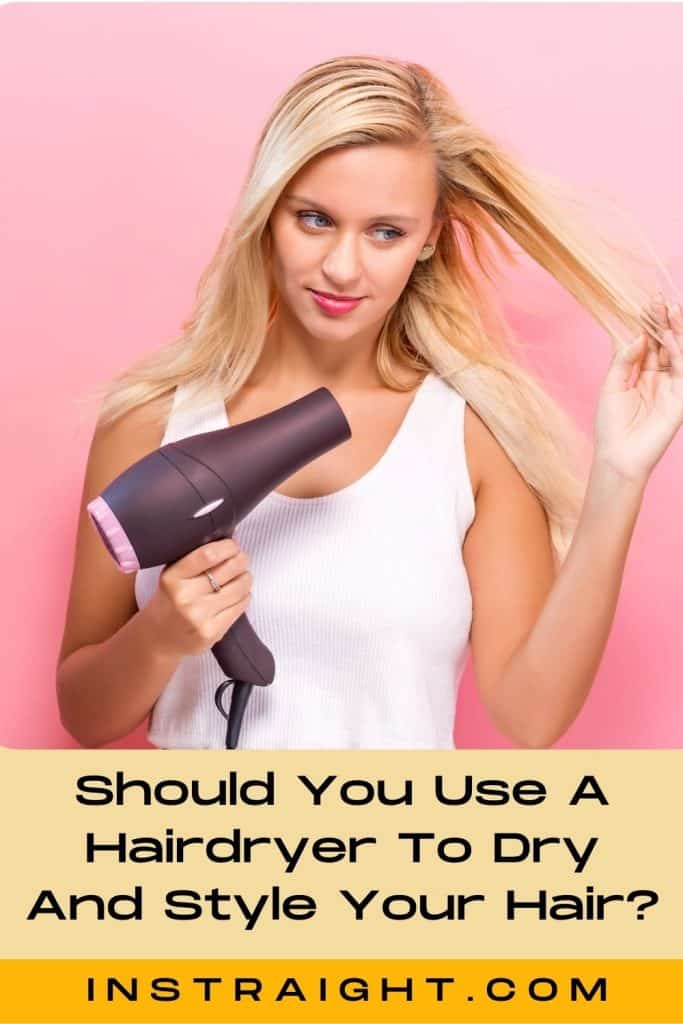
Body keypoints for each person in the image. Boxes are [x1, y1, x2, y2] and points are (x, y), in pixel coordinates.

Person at [56, 55, 683, 751]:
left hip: (398, 849)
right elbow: (83, 714)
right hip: (191, 848)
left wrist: (620, 476)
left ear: (427, 240)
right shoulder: (150, 421)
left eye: (385, 231)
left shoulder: (470, 437)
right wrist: (160, 637)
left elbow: (529, 718)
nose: (342, 267)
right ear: (267, 214)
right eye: (315, 219)